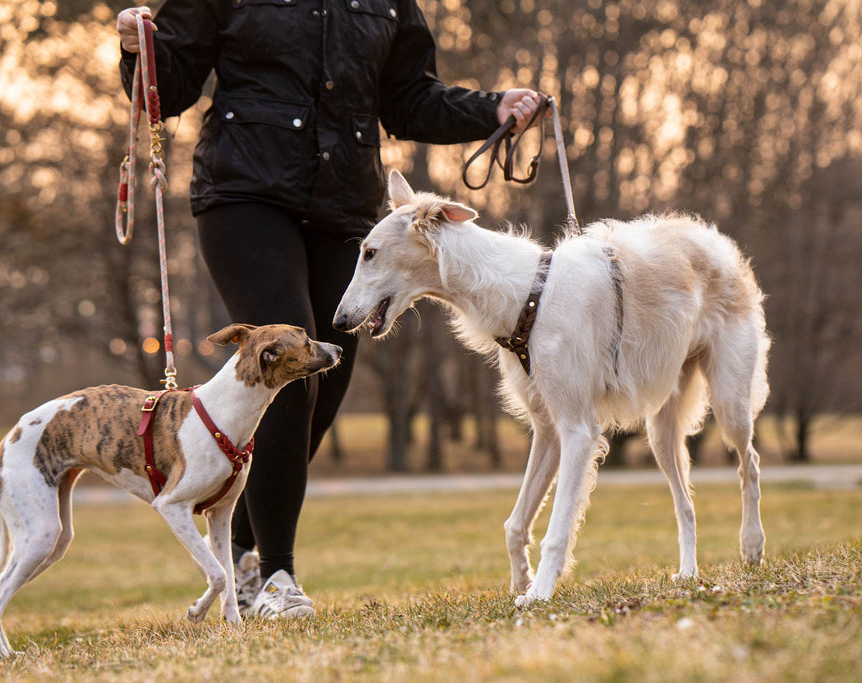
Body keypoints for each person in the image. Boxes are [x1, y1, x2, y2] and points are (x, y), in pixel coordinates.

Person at [117, 0, 544, 620]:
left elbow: (407, 99)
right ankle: (274, 578)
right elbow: (167, 90)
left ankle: (238, 550)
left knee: (327, 377)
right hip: (246, 195)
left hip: (343, 203)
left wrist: (491, 109)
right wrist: (138, 51)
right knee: (289, 368)